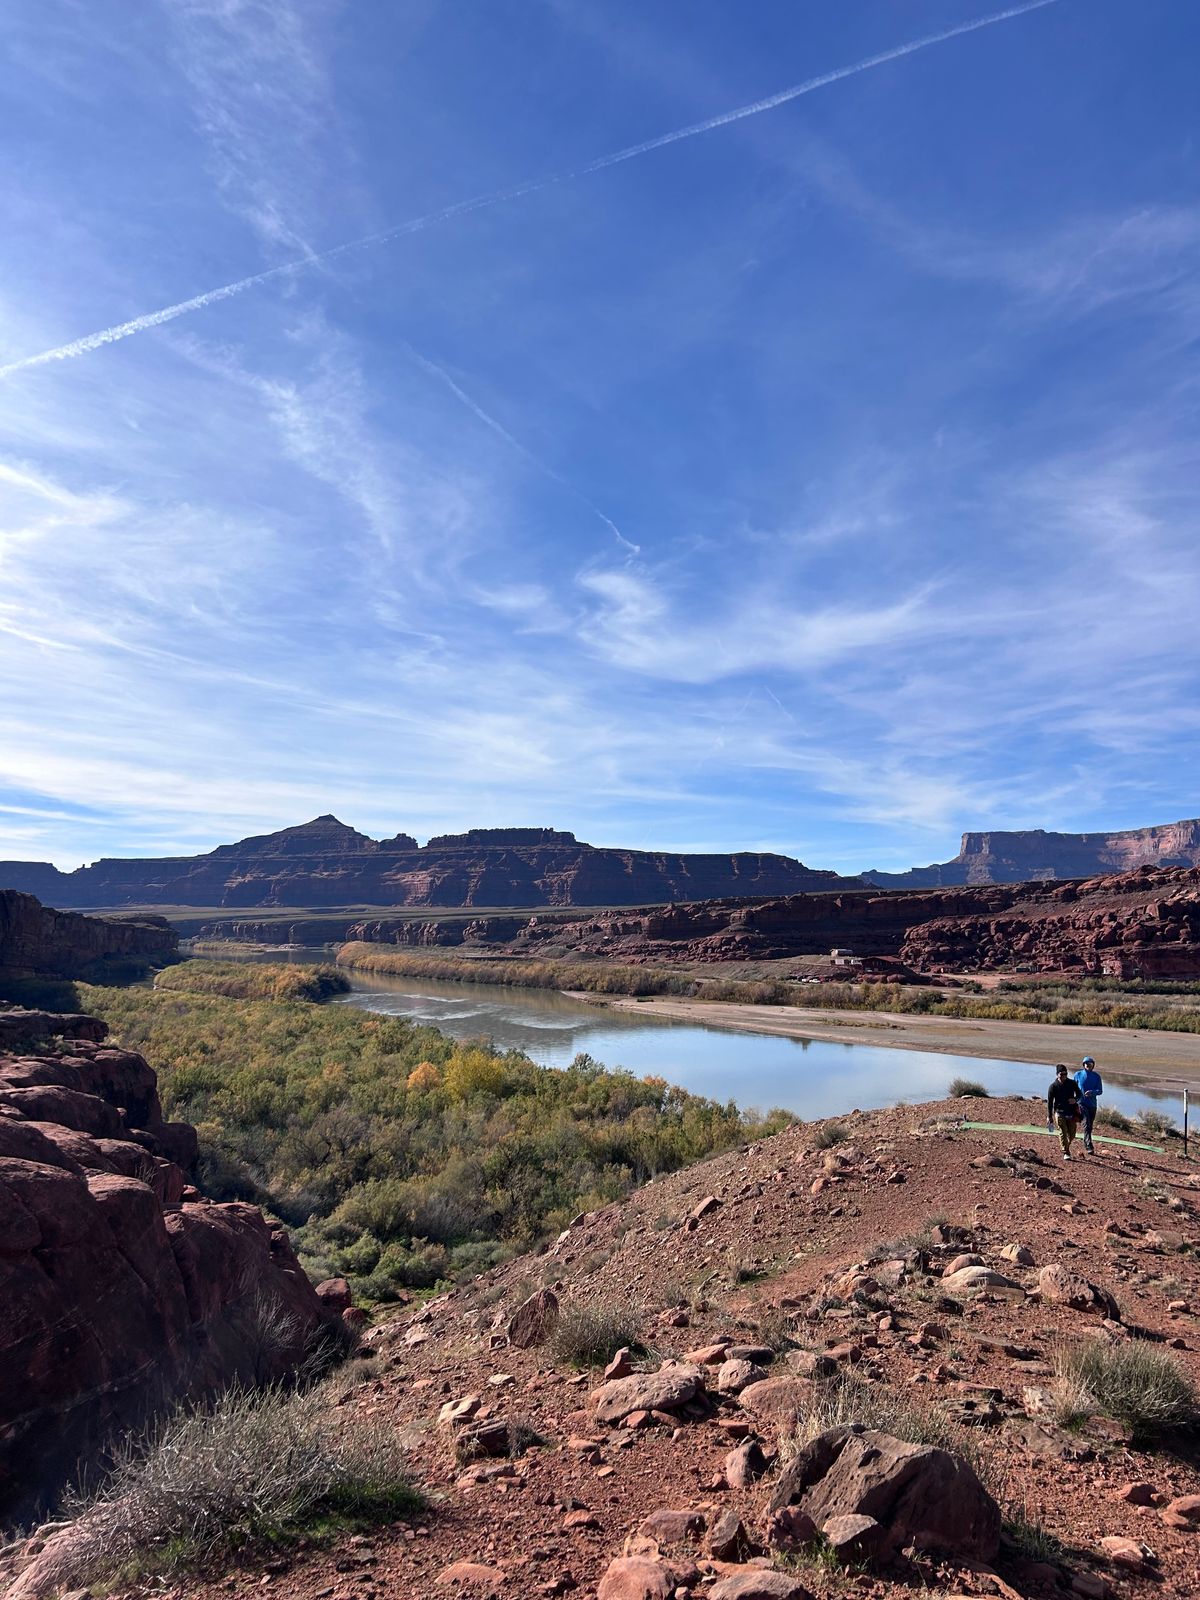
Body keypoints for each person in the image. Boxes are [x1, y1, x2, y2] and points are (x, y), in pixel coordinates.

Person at [1047, 1063, 1083, 1161]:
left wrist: (1075, 1100)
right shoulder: (1053, 1086)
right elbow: (1050, 1102)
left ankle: (1066, 1146)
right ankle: (1066, 1152)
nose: (1063, 1076)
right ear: (1057, 1074)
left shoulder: (1072, 1083)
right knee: (1062, 1132)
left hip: (1071, 1112)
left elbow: (1080, 1094)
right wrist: (1049, 1116)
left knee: (1072, 1134)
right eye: (1061, 1074)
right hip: (1059, 1112)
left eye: (1065, 1074)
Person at [1073, 1055, 1103, 1155]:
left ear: (1093, 1065)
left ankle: (1086, 1140)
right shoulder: (1078, 1075)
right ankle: (1089, 1146)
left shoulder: (1096, 1076)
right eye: (1086, 1064)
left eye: (1090, 1064)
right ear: (1083, 1065)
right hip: (1081, 1103)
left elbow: (1100, 1091)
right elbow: (1073, 1088)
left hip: (1092, 1105)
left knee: (1089, 1126)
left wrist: (1092, 1092)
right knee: (1086, 1124)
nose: (1088, 1065)